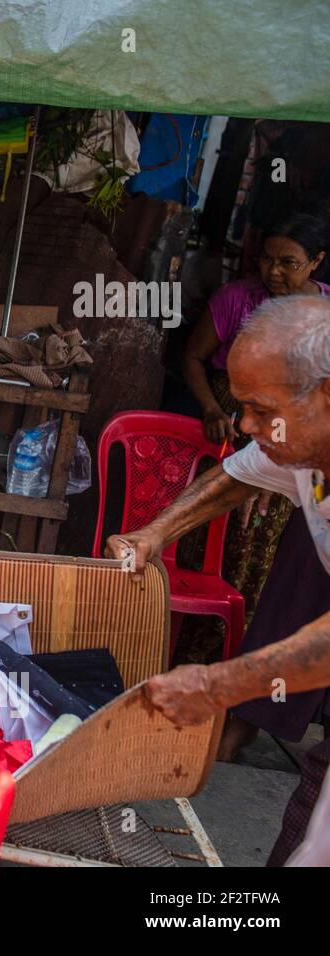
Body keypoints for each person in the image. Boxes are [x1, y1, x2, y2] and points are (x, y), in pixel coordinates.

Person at [106, 295, 330, 865]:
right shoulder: (301, 436)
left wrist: (216, 686)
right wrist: (154, 534)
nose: (245, 425)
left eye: (259, 408)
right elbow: (238, 476)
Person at [177, 215, 330, 715]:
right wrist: (214, 410)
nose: (274, 271)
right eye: (267, 258)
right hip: (232, 425)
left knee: (259, 557)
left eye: (289, 262)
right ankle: (189, 664)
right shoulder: (235, 300)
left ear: (316, 262)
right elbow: (193, 359)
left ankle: (235, 688)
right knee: (210, 546)